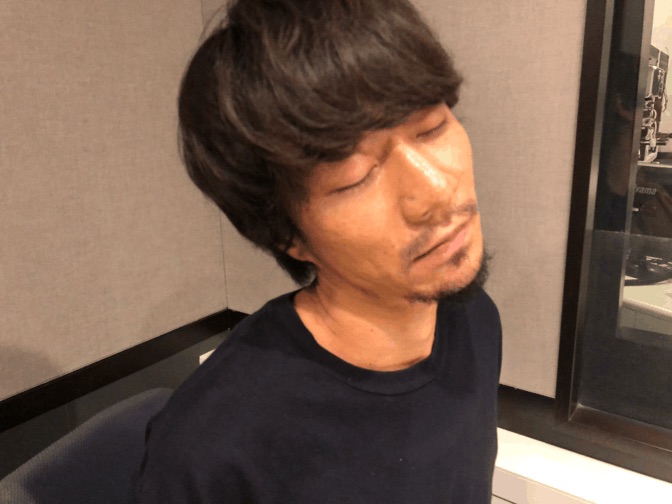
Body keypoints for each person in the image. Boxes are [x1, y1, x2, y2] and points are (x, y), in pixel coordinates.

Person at [134, 0, 502, 502]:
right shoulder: (211, 451)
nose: (436, 191)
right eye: (357, 176)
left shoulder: (475, 321)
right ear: (288, 235)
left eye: (432, 127)